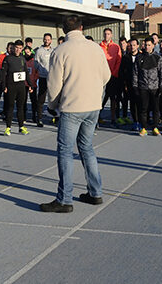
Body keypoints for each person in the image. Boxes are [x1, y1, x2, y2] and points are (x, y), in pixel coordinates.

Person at [40, 15, 110, 213]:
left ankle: (64, 199)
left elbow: (54, 85)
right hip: (93, 106)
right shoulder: (96, 48)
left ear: (64, 30)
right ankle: (95, 192)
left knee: (65, 151)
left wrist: (52, 106)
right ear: (81, 27)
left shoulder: (60, 51)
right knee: (87, 147)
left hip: (72, 107)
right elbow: (106, 76)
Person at [135, 37, 162, 136]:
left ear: (153, 45)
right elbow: (135, 73)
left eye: (149, 45)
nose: (147, 47)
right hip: (143, 87)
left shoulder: (158, 57)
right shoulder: (139, 57)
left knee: (156, 109)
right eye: (145, 45)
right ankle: (143, 128)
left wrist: (161, 86)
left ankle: (155, 128)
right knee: (143, 108)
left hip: (155, 87)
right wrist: (135, 86)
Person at [1, 40, 32, 136]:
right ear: (13, 48)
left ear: (22, 49)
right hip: (11, 86)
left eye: (20, 48)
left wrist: (30, 84)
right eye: (16, 48)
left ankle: (21, 126)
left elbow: (26, 72)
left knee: (21, 107)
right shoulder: (8, 58)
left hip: (21, 86)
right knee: (10, 107)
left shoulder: (22, 59)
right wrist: (4, 86)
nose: (18, 50)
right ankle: (8, 127)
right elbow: (3, 74)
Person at [99, 28, 122, 125]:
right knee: (101, 98)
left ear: (111, 35)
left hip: (113, 76)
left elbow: (118, 61)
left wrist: (113, 73)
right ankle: (98, 116)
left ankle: (113, 117)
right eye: (105, 34)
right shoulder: (99, 47)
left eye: (108, 34)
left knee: (113, 98)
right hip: (102, 76)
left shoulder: (116, 47)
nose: (106, 36)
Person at [119, 38, 141, 132]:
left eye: (134, 45)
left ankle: (142, 122)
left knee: (141, 104)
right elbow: (122, 72)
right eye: (130, 45)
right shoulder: (126, 58)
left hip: (141, 85)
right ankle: (135, 121)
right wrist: (124, 84)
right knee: (132, 104)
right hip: (129, 84)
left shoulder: (141, 57)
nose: (132, 47)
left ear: (137, 46)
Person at [33, 33, 53, 126]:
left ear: (51, 40)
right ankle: (39, 118)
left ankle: (55, 117)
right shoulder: (39, 51)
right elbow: (36, 64)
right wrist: (41, 71)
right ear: (43, 40)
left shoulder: (54, 51)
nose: (47, 41)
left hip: (52, 78)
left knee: (54, 98)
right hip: (43, 77)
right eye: (45, 39)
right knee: (41, 98)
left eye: (48, 39)